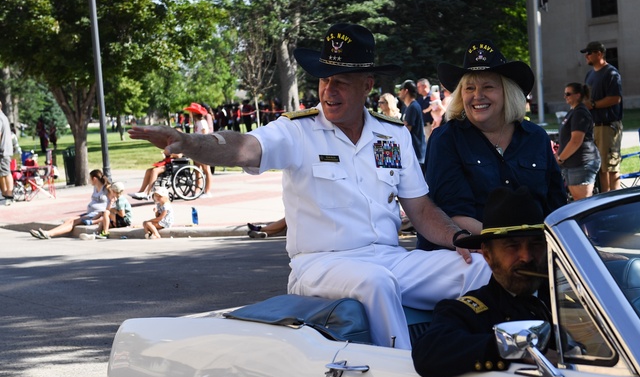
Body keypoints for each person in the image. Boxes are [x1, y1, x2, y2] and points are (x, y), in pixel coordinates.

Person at [128, 22, 490, 349]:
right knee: (377, 283)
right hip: (319, 265)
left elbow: (422, 210)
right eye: (323, 80)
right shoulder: (297, 130)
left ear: (367, 85)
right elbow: (245, 148)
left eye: (340, 82)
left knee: (481, 267)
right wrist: (189, 143)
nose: (328, 91)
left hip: (388, 258)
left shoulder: (392, 134)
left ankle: (495, 360)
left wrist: (460, 239)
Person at [421, 39, 566, 250]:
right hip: (472, 256)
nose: (477, 96)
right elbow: (453, 214)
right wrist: (513, 245)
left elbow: (556, 207)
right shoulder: (446, 139)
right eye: (469, 88)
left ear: (508, 92)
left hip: (537, 253)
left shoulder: (536, 137)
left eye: (488, 86)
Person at [412, 186, 551, 377]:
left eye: (535, 244)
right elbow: (428, 354)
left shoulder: (561, 297)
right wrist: (514, 347)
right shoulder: (468, 311)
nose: (526, 257)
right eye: (512, 246)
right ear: (487, 254)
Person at [581, 41, 624, 192]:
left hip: (608, 126)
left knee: (610, 166)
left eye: (589, 53)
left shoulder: (611, 73)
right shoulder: (590, 74)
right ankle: (603, 200)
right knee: (599, 167)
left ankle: (615, 200)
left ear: (599, 53)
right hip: (593, 126)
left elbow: (615, 98)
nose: (586, 56)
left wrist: (592, 105)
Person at [30, 169, 110, 239]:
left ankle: (49, 234)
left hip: (96, 214)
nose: (89, 180)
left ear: (94, 179)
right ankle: (46, 232)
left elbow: (112, 203)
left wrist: (101, 217)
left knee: (73, 222)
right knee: (69, 219)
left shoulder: (106, 189)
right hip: (90, 213)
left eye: (90, 178)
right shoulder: (95, 188)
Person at [557, 82, 600, 200]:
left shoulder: (580, 112)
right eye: (565, 94)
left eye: (568, 94)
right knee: (578, 202)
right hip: (572, 164)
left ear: (578, 95)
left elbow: (576, 141)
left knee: (584, 204)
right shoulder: (573, 112)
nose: (565, 96)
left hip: (582, 163)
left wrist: (561, 158)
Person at [185, 103, 214, 196]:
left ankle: (208, 191)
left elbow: (205, 136)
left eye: (191, 112)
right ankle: (197, 189)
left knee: (206, 169)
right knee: (197, 170)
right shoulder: (196, 123)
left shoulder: (202, 123)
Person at [398, 80, 426, 168]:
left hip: (416, 154)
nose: (399, 92)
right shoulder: (407, 107)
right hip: (412, 153)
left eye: (400, 89)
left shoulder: (413, 107)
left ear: (406, 91)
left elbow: (406, 130)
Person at [0, 101, 13, 205]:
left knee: (6, 172)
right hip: (6, 149)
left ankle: (8, 194)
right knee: (2, 173)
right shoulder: (3, 116)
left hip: (3, 150)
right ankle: (5, 193)